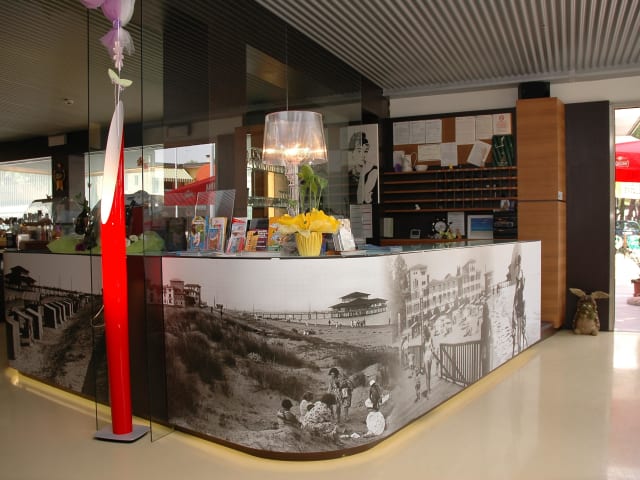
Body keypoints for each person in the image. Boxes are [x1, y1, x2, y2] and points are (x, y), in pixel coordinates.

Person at [348, 131, 378, 204]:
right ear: (352, 152)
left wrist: (363, 175)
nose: (362, 155)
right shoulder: (349, 174)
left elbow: (361, 201)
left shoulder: (373, 171)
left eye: (365, 151)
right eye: (359, 151)